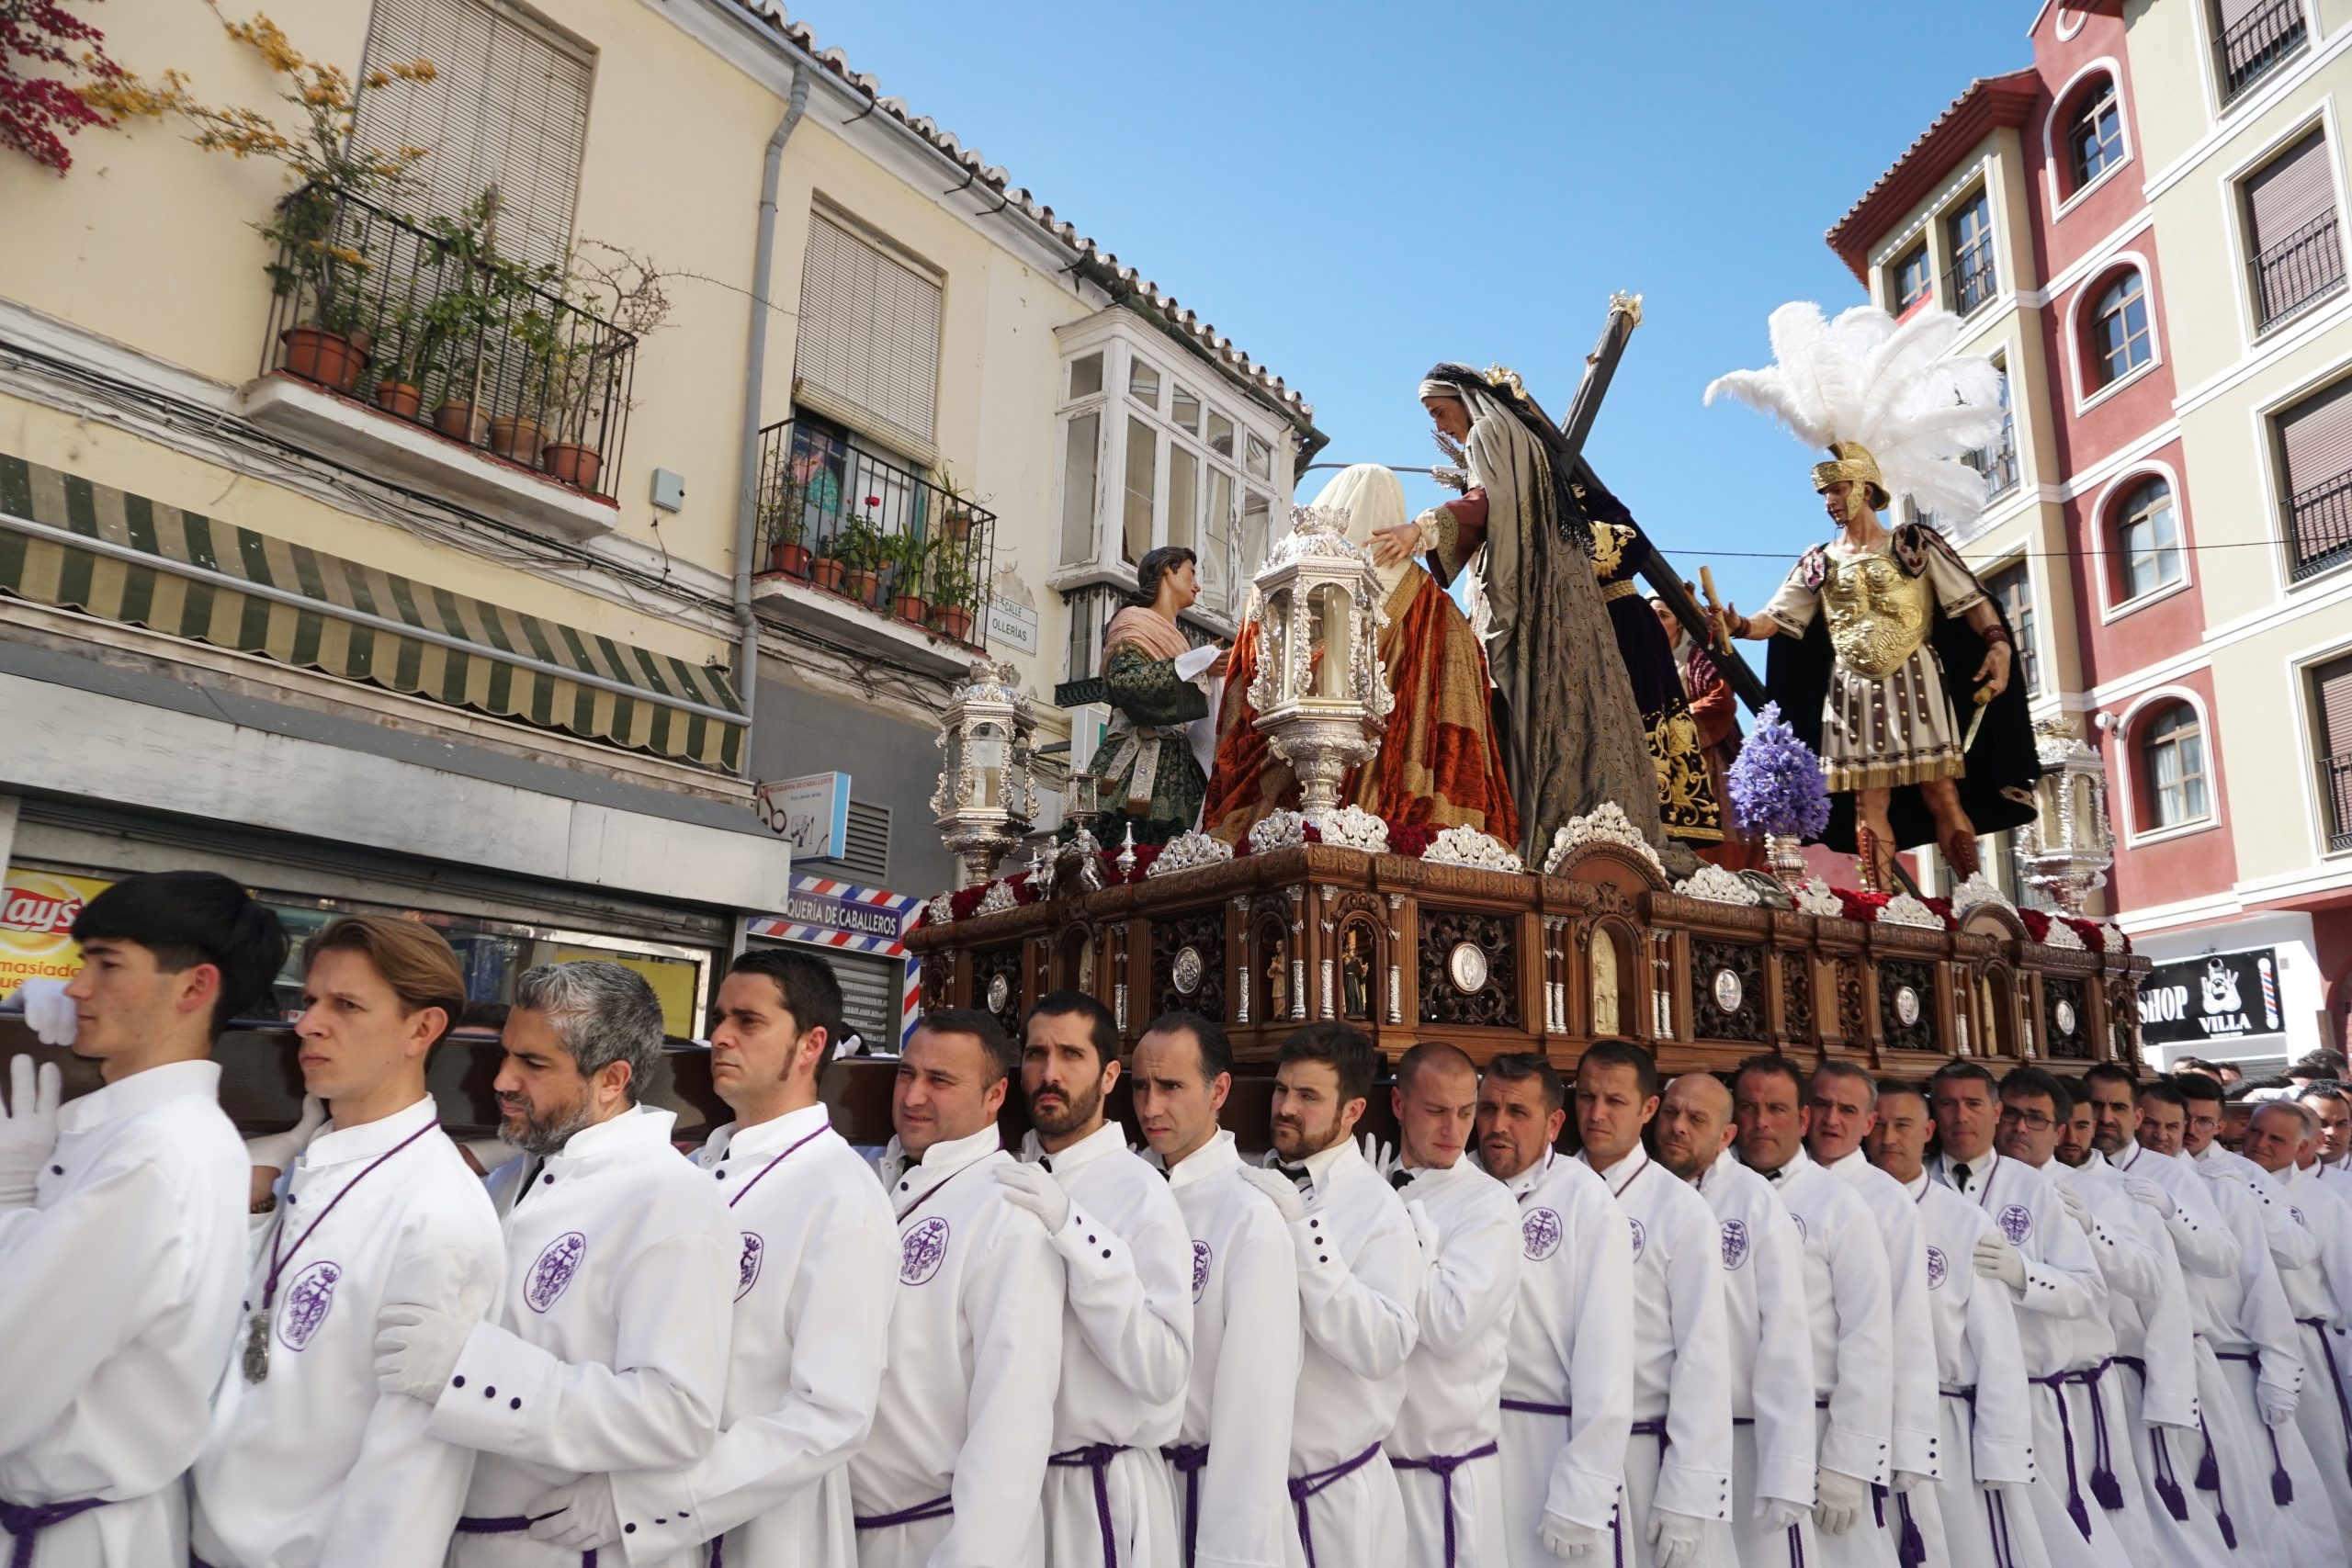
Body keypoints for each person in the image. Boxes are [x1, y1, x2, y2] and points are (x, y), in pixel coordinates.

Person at [369, 960, 736, 1565]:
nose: (503, 1080)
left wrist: (472, 1370)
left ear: (612, 1079)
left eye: (534, 1064)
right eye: (506, 1054)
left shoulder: (672, 1201)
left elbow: (678, 1414)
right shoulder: (511, 1179)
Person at [191, 916, 504, 1568]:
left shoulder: (438, 1213)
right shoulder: (309, 1163)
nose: (307, 1024)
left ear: (422, 1029)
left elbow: (409, 1482)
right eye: (309, 1000)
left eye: (346, 1005)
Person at [569, 950, 898, 1567]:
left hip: (761, 1526)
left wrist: (656, 1499)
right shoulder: (690, 1170)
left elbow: (831, 1413)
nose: (718, 1035)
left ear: (810, 1044)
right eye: (719, 1017)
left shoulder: (842, 1195)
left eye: (748, 1021)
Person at [0, 872, 288, 1568]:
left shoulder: (152, 1154)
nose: (75, 988)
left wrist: (12, 1199)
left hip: (71, 1538)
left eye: (106, 964)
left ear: (193, 988)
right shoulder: (161, 1132)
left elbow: (8, 1376)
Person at [1706, 302, 2039, 891]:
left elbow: (1971, 601)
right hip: (1851, 691)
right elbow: (1777, 620)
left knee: (1940, 789)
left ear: (1865, 487)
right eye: (1826, 494)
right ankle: (1883, 900)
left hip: (1915, 678)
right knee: (1868, 804)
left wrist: (1997, 645)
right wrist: (1737, 623)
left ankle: (1976, 896)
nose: (1831, 501)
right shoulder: (1819, 560)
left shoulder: (1914, 544)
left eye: (1838, 490)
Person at [1370, 365, 1666, 863]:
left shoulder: (1488, 431)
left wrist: (1419, 531)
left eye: (1440, 412)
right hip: (1563, 595)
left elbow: (1489, 500)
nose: (1440, 426)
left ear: (1465, 399)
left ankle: (1535, 837)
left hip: (1525, 597)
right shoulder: (1522, 437)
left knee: (1517, 703)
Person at [1204, 463, 1518, 847]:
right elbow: (1458, 711)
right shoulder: (1433, 604)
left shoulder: (1277, 587)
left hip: (1282, 777)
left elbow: (1247, 684)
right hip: (1387, 792)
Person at [852, 1009, 1064, 1567]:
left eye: (940, 1081)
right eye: (906, 1073)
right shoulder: (881, 1184)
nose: (913, 1095)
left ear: (995, 1096)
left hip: (930, 1536)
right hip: (841, 1527)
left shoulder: (1007, 1213)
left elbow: (1012, 1423)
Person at [1012, 991, 1193, 1568]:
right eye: (1037, 1054)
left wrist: (1075, 1232)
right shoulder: (1011, 1176)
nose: (1049, 1072)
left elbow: (1163, 1368)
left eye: (1071, 1054)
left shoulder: (1141, 1192)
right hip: (1013, 1486)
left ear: (1111, 1074)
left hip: (1099, 1494)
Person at [1129, 1012, 1304, 1568]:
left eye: (1172, 1087)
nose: (1151, 1107)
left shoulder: (1249, 1215)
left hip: (1212, 1495)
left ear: (1219, 1090)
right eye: (1141, 1087)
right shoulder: (1129, 1195)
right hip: (1138, 1491)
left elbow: (1257, 1413)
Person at [1926, 1060, 2113, 1568]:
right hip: (1942, 1401)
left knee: (2039, 1541)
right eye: (1948, 1103)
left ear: (1995, 1111)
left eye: (1973, 1104)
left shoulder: (2034, 1188)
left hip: (2029, 1398)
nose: (1960, 1116)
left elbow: (2088, 1290)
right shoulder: (1917, 1183)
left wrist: (2024, 1274)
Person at [1253, 1021, 1424, 1568]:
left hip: (1336, 1499)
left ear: (1352, 1112)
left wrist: (1308, 1237)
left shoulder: (1377, 1209)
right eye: (1282, 1090)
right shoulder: (1253, 1181)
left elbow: (1384, 1345)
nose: (1285, 1107)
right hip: (1256, 1493)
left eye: (1308, 1096)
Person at [1864, 1083, 2046, 1568]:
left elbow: (1997, 1347)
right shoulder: (1848, 1207)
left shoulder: (1964, 1220)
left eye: (1902, 1125)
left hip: (1946, 1422)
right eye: (1878, 1124)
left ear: (1927, 1132)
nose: (1887, 1137)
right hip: (1867, 1415)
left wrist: (2002, 1448)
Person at [1990, 1069, 2163, 1568]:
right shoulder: (1964, 1184)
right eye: (2012, 1115)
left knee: (2098, 1530)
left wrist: (2092, 1228)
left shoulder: (2093, 1191)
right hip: (1999, 1392)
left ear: (2061, 1129)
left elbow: (2149, 1277)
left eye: (2036, 1119)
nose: (2020, 1129)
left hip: (2073, 1393)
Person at [2047, 1077, 2222, 1568]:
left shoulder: (2150, 1183)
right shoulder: (2029, 1181)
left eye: (2114, 1108)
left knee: (2147, 1514)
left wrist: (2170, 1391)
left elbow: (2169, 1290)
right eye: (2091, 1110)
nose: (2103, 1120)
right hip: (2057, 1380)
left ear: (2135, 1115)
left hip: (2127, 1375)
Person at [1730, 1056, 1896, 1568]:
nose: (1761, 1121)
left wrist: (1849, 1461)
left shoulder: (1838, 1206)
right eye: (1749, 1107)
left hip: (1819, 1432)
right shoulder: (1713, 1194)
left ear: (1801, 1120)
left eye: (1776, 1109)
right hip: (1730, 1434)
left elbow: (1868, 1338)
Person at [1573, 1042, 1732, 1568]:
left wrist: (1689, 1490)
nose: (1597, 1114)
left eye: (1615, 1101)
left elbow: (1702, 1354)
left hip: (1645, 1453)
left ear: (1648, 1110)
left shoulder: (1680, 1210)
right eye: (1588, 1097)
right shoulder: (1552, 1190)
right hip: (1557, 1443)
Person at [1472, 1053, 1633, 1567]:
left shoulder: (1586, 1199)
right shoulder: (1456, 1185)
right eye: (1488, 1108)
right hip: (1467, 1445)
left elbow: (1605, 1353)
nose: (1498, 1126)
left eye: (1518, 1112)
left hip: (1548, 1448)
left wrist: (1584, 1488)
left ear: (1554, 1123)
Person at [1657, 1072, 1818, 1568]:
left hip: (1742, 1436)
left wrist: (1788, 1465)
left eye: (1696, 1119)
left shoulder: (1753, 1201)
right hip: (1658, 1433)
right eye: (1671, 1114)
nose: (1678, 1127)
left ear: (1726, 1135)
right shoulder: (1647, 1191)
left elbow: (1785, 1334)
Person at [1384, 1043, 1521, 1568]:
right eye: (1436, 1111)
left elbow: (1449, 1324)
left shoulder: (1489, 1203)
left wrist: (1406, 1228)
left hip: (1445, 1479)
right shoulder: (1377, 1188)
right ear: (1399, 1106)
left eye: (1466, 1112)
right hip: (1372, 1472)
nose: (1455, 1130)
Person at [1804, 1064, 1941, 1561]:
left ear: (1868, 1122)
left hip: (1852, 1423)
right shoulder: (1768, 1182)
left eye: (1847, 1110)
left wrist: (1889, 1445)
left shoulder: (1887, 1202)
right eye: (1821, 1105)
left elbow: (1903, 1330)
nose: (1831, 1120)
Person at [1574, 477, 1723, 848]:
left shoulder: (1586, 497)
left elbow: (1633, 543)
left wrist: (1565, 544)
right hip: (1571, 628)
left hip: (1622, 624)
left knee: (1640, 718)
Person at [2239, 1100, 2352, 1551]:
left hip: (2308, 1348)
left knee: (2326, 1463)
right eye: (2255, 1133)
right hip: (2245, 1348)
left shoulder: (2323, 1201)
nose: (2260, 1144)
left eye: (2276, 1139)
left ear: (2305, 1147)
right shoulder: (2225, 1185)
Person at [1094, 545, 1226, 847]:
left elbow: (1183, 688)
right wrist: (1199, 668)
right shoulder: (1133, 623)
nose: (1197, 584)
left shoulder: (1179, 639)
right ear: (1169, 568)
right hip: (1134, 755)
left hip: (1179, 766)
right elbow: (1126, 683)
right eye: (1192, 572)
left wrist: (1201, 663)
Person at [1652, 595, 1757, 872]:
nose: (1655, 621)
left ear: (1680, 624)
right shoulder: (1641, 660)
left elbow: (1720, 702)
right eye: (1652, 615)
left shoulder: (1699, 658)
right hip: (1655, 762)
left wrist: (1671, 723)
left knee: (1709, 841)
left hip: (1702, 758)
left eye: (1664, 615)